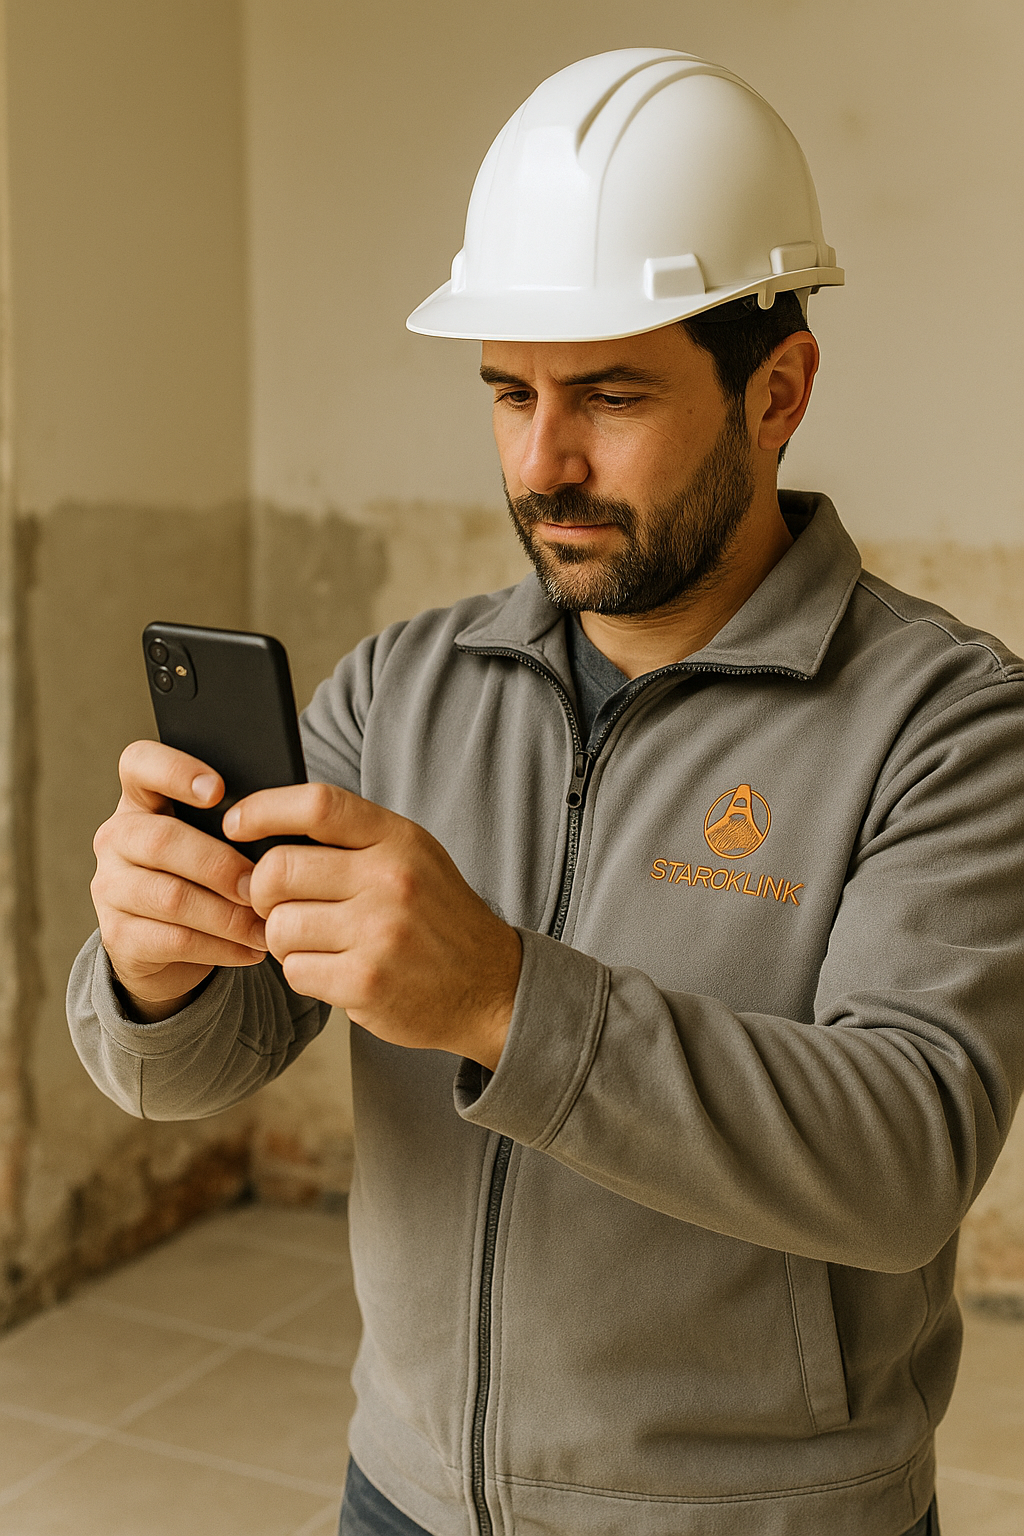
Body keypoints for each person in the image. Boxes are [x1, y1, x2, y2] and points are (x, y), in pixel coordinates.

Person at [67, 48, 1023, 1536]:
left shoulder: (949, 721)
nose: (541, 460)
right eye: (508, 391)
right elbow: (196, 1064)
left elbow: (906, 1154)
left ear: (779, 394)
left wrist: (505, 996)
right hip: (404, 1496)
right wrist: (150, 972)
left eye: (612, 395)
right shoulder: (404, 686)